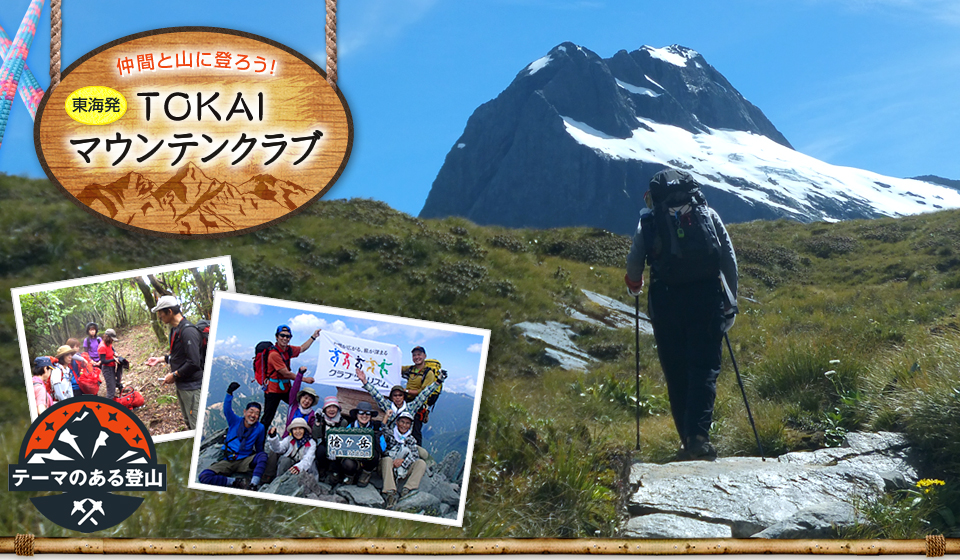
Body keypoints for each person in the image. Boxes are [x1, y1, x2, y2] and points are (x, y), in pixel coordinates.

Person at [625, 168, 738, 461]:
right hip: (706, 298)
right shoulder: (708, 215)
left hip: (665, 302)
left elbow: (635, 260)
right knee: (703, 368)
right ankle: (698, 437)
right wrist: (730, 302)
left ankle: (686, 440)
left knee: (676, 371)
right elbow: (727, 257)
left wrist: (634, 285)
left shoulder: (649, 220)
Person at [145, 295, 205, 430]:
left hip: (192, 387)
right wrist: (160, 359)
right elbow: (178, 356)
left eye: (160, 312)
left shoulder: (188, 331)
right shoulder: (175, 330)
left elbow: (194, 362)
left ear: (169, 311)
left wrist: (175, 375)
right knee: (188, 421)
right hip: (182, 385)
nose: (159, 316)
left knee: (196, 425)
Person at [198, 381, 268, 490]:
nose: (253, 415)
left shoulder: (260, 428)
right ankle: (234, 482)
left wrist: (261, 463)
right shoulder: (235, 421)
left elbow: (259, 446)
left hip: (245, 459)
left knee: (263, 455)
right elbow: (227, 409)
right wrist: (229, 393)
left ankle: (253, 484)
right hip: (228, 459)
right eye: (251, 411)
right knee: (204, 476)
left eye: (257, 413)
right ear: (245, 412)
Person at [259, 325, 321, 429]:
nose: (285, 338)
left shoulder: (287, 350)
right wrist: (304, 379)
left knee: (301, 404)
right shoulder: (274, 354)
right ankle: (257, 442)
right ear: (277, 337)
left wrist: (313, 337)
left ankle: (301, 427)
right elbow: (286, 373)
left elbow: (302, 348)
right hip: (273, 391)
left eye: (288, 336)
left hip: (285, 388)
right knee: (267, 419)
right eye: (282, 335)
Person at [355, 365, 445, 430]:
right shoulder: (387, 406)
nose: (398, 397)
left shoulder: (411, 407)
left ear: (404, 397)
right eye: (395, 395)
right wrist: (364, 381)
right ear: (391, 397)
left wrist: (437, 382)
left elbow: (424, 395)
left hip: (405, 440)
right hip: (389, 440)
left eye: (400, 395)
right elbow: (376, 395)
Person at [380, 411, 427, 509]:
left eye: (407, 423)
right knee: (387, 460)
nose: (404, 425)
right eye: (402, 422)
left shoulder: (411, 439)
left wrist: (402, 462)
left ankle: (408, 489)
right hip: (389, 466)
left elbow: (414, 455)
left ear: (410, 425)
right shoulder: (390, 434)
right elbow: (382, 429)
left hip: (403, 467)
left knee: (421, 463)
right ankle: (390, 493)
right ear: (397, 423)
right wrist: (386, 417)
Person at [401, 346, 443, 445]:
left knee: (415, 431)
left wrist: (406, 391)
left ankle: (417, 454)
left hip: (419, 405)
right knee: (403, 428)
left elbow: (423, 392)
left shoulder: (429, 373)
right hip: (407, 402)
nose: (416, 357)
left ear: (424, 356)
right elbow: (398, 367)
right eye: (414, 355)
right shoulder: (411, 368)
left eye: (419, 354)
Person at [340, 400, 385, 487]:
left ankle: (366, 474)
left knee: (375, 454)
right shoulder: (350, 427)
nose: (364, 416)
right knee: (347, 463)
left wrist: (376, 437)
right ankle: (350, 476)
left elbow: (382, 448)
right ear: (357, 414)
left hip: (368, 458)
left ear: (371, 416)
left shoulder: (375, 427)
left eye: (367, 413)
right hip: (354, 458)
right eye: (361, 412)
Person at [312, 395, 349, 485]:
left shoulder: (343, 422)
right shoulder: (321, 420)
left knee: (338, 456)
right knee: (320, 451)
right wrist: (317, 424)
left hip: (339, 446)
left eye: (334, 407)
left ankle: (335, 472)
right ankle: (323, 468)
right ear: (324, 409)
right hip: (325, 443)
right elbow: (316, 436)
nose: (331, 410)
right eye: (329, 407)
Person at [282, 367, 317, 436]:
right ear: (300, 397)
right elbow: (295, 389)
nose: (307, 401)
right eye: (305, 398)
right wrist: (300, 374)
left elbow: (312, 431)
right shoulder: (294, 406)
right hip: (288, 438)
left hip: (303, 442)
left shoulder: (312, 415)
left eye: (310, 400)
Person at [98, 328, 122, 399]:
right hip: (107, 369)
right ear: (107, 337)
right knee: (111, 390)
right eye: (111, 339)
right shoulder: (102, 347)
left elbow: (111, 348)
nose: (112, 341)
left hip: (112, 367)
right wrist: (114, 360)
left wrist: (114, 353)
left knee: (114, 385)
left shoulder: (109, 343)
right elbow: (103, 361)